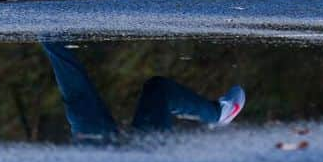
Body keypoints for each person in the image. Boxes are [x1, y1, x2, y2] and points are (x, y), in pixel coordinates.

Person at [41, 41, 246, 141]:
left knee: (79, 98)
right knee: (159, 90)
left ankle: (51, 36)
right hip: (142, 159)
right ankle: (217, 113)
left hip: (101, 158)